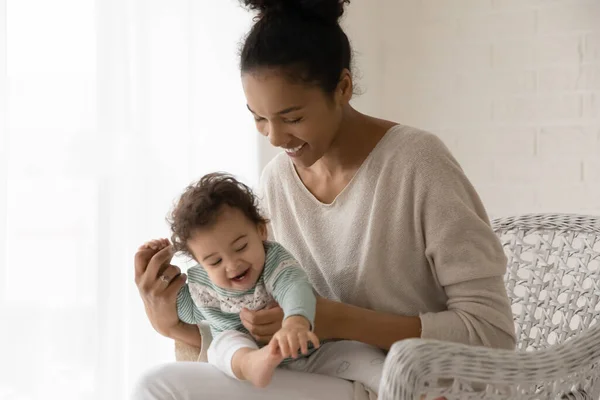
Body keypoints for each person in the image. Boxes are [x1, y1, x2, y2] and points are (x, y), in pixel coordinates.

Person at [131, 0, 517, 398]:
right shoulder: (278, 180)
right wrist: (171, 322)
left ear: (343, 88)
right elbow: (257, 330)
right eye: (259, 118)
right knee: (155, 385)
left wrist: (336, 320)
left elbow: (492, 334)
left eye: (293, 118)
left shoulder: (417, 162)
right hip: (323, 375)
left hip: (415, 385)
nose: (275, 139)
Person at [136, 173, 385, 392]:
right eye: (214, 261)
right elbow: (187, 312)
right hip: (248, 357)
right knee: (222, 344)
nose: (232, 265)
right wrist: (156, 269)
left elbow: (293, 287)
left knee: (368, 358)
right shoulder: (201, 284)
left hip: (311, 351)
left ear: (261, 231)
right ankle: (251, 364)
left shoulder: (273, 261)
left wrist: (295, 322)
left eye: (241, 247)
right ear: (198, 262)